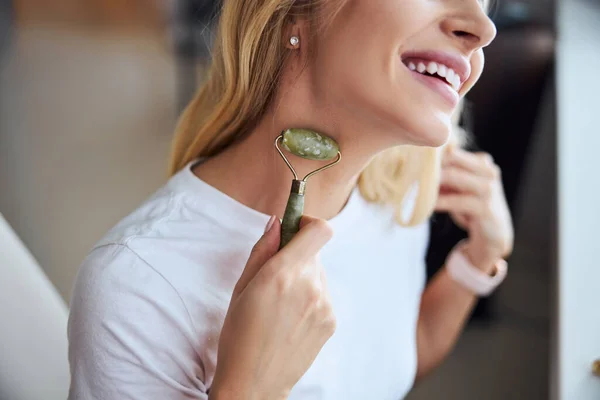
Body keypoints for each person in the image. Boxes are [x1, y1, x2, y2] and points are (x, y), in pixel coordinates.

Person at [67, 0, 514, 399]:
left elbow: (392, 365)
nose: (483, 27)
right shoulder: (137, 289)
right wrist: (249, 391)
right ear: (293, 13)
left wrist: (480, 259)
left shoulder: (401, 192)